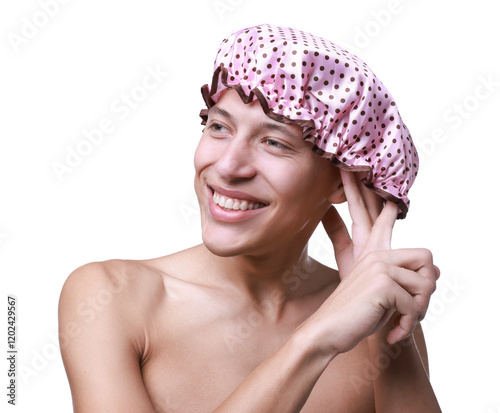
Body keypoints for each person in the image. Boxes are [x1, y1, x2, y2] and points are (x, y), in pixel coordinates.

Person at [59, 23, 441, 412]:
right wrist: (316, 340)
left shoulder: (372, 313)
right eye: (218, 126)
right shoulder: (112, 296)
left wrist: (386, 322)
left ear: (345, 181)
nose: (227, 166)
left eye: (273, 142)